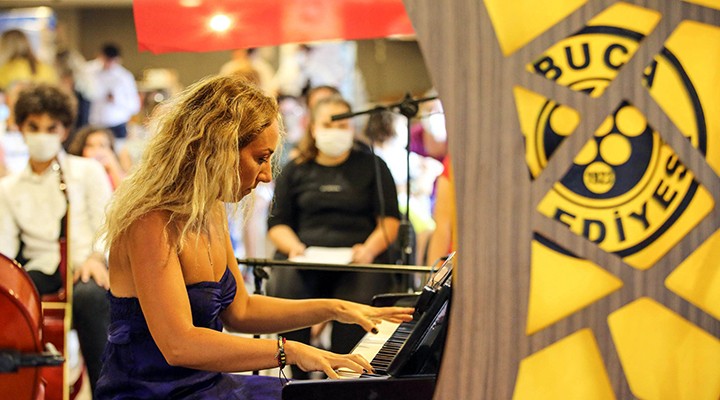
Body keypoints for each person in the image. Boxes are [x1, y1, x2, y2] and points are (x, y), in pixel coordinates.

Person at [94, 75, 413, 399]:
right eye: (260, 158)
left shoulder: (211, 209)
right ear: (217, 150)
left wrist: (334, 308)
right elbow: (179, 345)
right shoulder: (149, 222)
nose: (267, 175)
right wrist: (291, 351)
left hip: (206, 386)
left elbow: (241, 311)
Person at [266, 94, 402, 379]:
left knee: (359, 307)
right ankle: (299, 376)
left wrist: (368, 250)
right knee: (288, 294)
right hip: (305, 259)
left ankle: (344, 378)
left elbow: (389, 221)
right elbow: (277, 224)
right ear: (313, 127)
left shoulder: (374, 167)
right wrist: (294, 248)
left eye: (343, 125)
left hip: (359, 261)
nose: (336, 131)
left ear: (352, 128)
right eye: (329, 125)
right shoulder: (294, 169)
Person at [0, 83, 112, 393]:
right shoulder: (8, 188)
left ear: (64, 130)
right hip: (40, 271)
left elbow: (109, 223)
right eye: (33, 127)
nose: (42, 135)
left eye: (51, 128)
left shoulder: (87, 171)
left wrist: (96, 257)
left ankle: (105, 390)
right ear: (20, 127)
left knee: (90, 296)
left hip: (88, 267)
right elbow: (4, 248)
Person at [87, 43, 140, 140]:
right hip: (95, 124)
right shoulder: (89, 71)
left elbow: (135, 106)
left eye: (112, 61)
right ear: (100, 57)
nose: (109, 64)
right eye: (106, 60)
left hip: (117, 125)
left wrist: (117, 99)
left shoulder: (125, 77)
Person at [67, 125, 126, 190]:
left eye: (102, 145)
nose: (97, 150)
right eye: (90, 146)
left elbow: (124, 191)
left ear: (111, 150)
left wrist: (113, 167)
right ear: (81, 150)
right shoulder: (76, 172)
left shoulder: (113, 171)